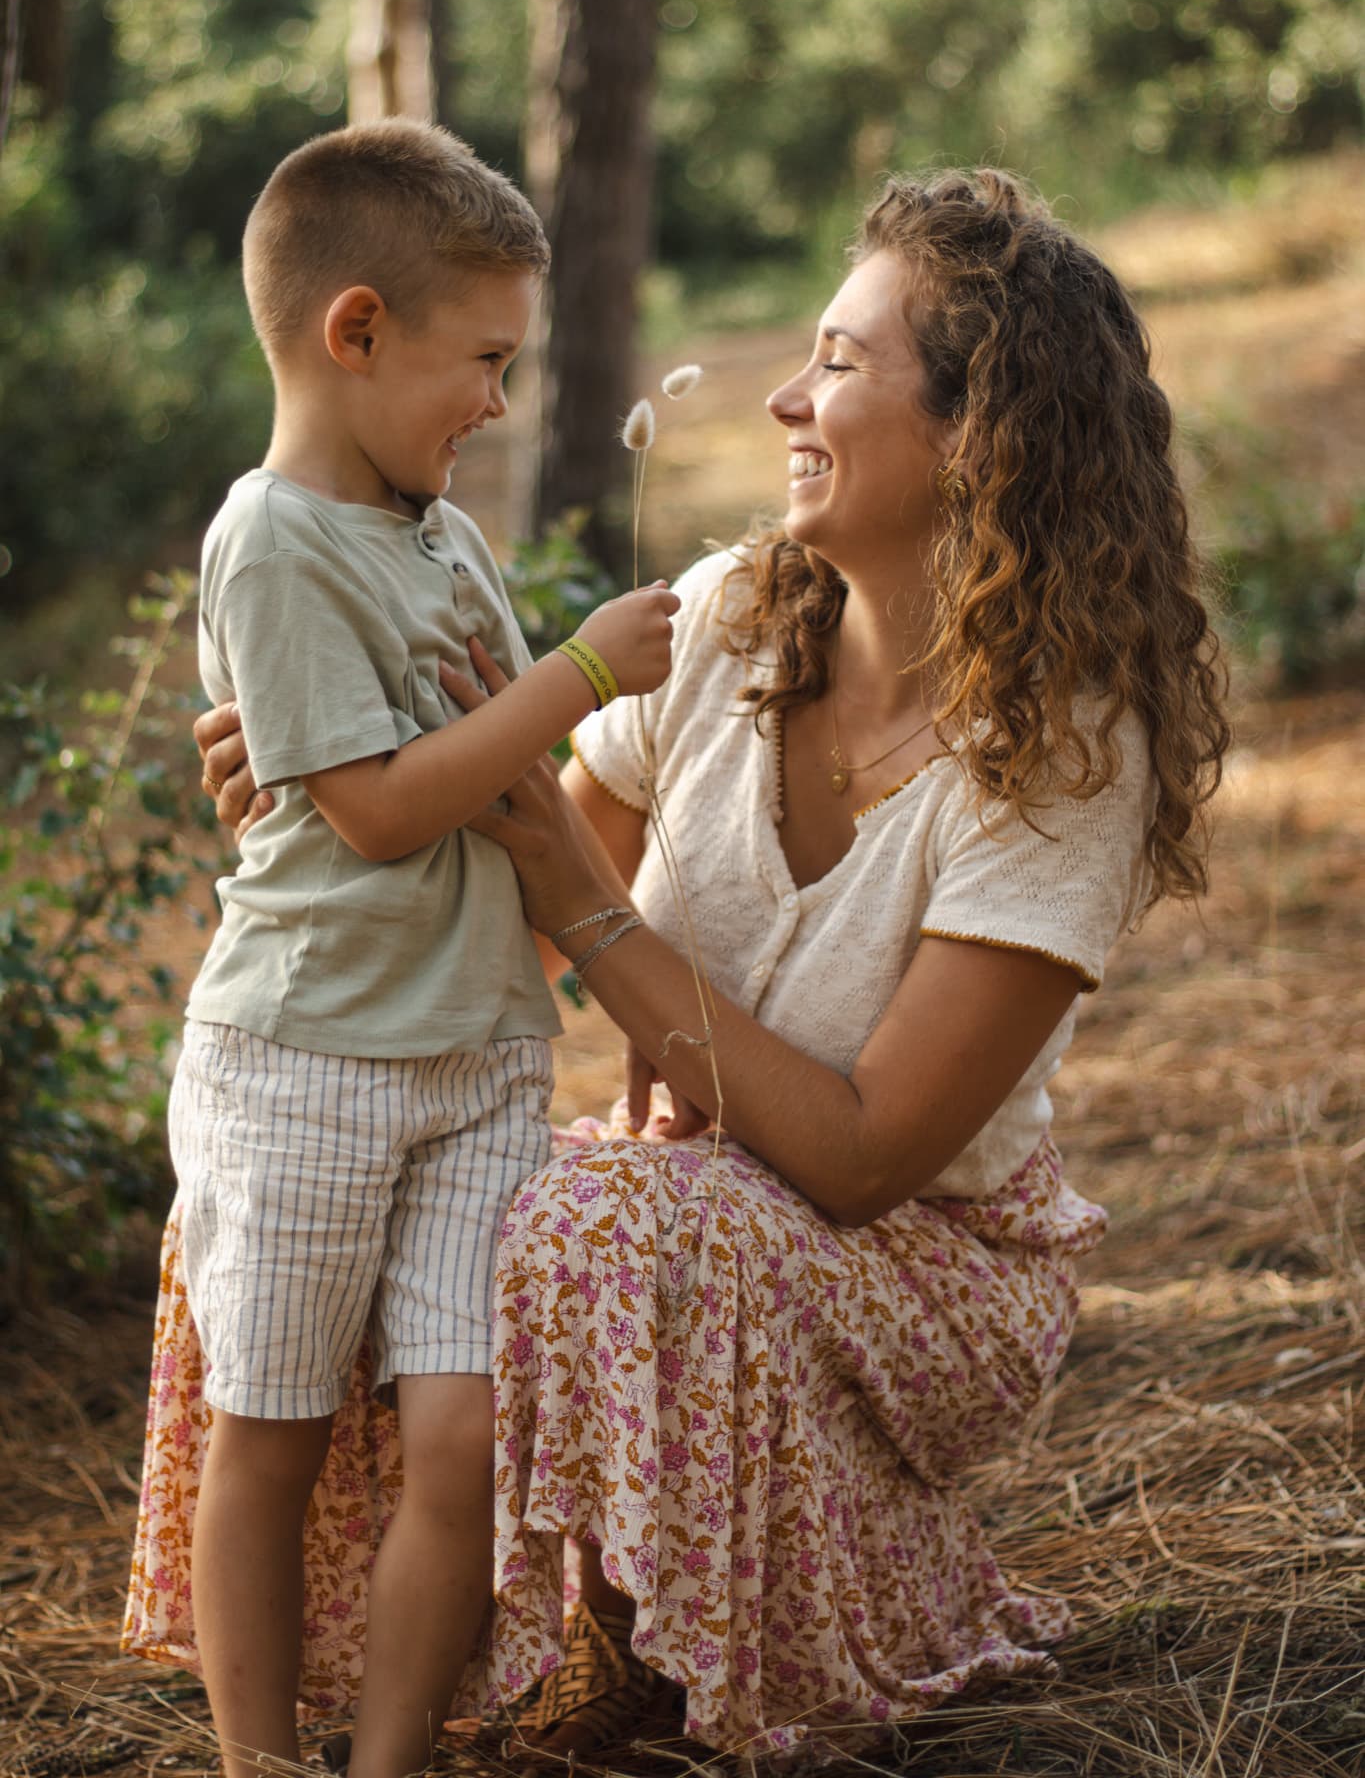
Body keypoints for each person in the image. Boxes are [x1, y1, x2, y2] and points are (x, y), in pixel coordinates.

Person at [128, 168, 1228, 1762]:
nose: (786, 393)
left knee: (592, 1216)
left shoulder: (1062, 755)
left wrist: (594, 905)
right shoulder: (723, 621)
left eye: (841, 365)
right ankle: (399, 1690)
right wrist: (320, 782)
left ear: (982, 434)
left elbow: (860, 1160)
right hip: (701, 1208)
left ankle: (727, 1624)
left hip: (922, 1268)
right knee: (304, 1180)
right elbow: (493, 866)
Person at [136, 117, 678, 1778]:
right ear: (352, 330)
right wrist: (583, 671)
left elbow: (497, 779)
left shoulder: (443, 538)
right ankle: (256, 1759)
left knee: (460, 1433)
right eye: (483, 362)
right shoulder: (271, 536)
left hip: (478, 1060)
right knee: (275, 1431)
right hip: (306, 1061)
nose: (499, 406)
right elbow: (375, 813)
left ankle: (388, 1762)